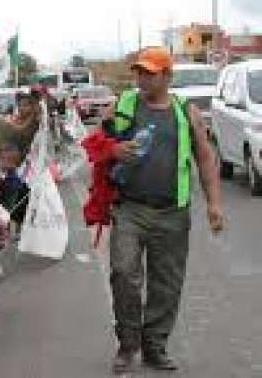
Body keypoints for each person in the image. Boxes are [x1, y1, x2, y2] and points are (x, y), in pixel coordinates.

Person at [104, 47, 224, 373]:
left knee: (166, 284)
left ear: (167, 76)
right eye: (139, 72)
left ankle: (154, 345)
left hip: (172, 212)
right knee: (124, 274)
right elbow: (97, 145)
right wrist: (114, 148)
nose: (141, 78)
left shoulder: (187, 113)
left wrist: (213, 203)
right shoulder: (123, 105)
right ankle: (128, 343)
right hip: (130, 208)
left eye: (149, 73)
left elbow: (205, 158)